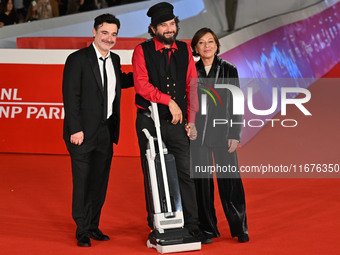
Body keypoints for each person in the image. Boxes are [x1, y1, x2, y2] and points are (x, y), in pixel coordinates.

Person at [132, 2, 211, 244]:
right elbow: (142, 85)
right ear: (153, 28)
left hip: (178, 123)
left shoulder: (185, 49)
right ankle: (156, 224)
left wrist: (192, 120)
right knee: (153, 173)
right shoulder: (141, 50)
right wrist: (169, 101)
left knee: (186, 173)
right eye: (163, 25)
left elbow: (192, 86)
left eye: (172, 24)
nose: (169, 29)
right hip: (149, 121)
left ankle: (193, 225)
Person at [62, 13, 133, 247]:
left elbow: (118, 81)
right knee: (82, 182)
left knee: (99, 182)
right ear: (94, 32)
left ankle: (93, 226)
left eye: (114, 34)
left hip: (106, 131)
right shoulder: (77, 59)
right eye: (105, 32)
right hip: (81, 133)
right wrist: (75, 129)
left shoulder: (114, 59)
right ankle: (82, 229)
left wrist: (147, 75)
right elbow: (70, 97)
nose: (109, 38)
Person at [190, 27, 249, 243]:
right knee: (202, 183)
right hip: (198, 136)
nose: (207, 46)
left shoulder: (229, 69)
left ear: (217, 45)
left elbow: (236, 104)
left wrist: (235, 133)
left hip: (224, 133)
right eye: (202, 43)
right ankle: (207, 229)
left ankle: (240, 227)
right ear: (195, 47)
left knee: (230, 180)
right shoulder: (191, 71)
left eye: (211, 42)